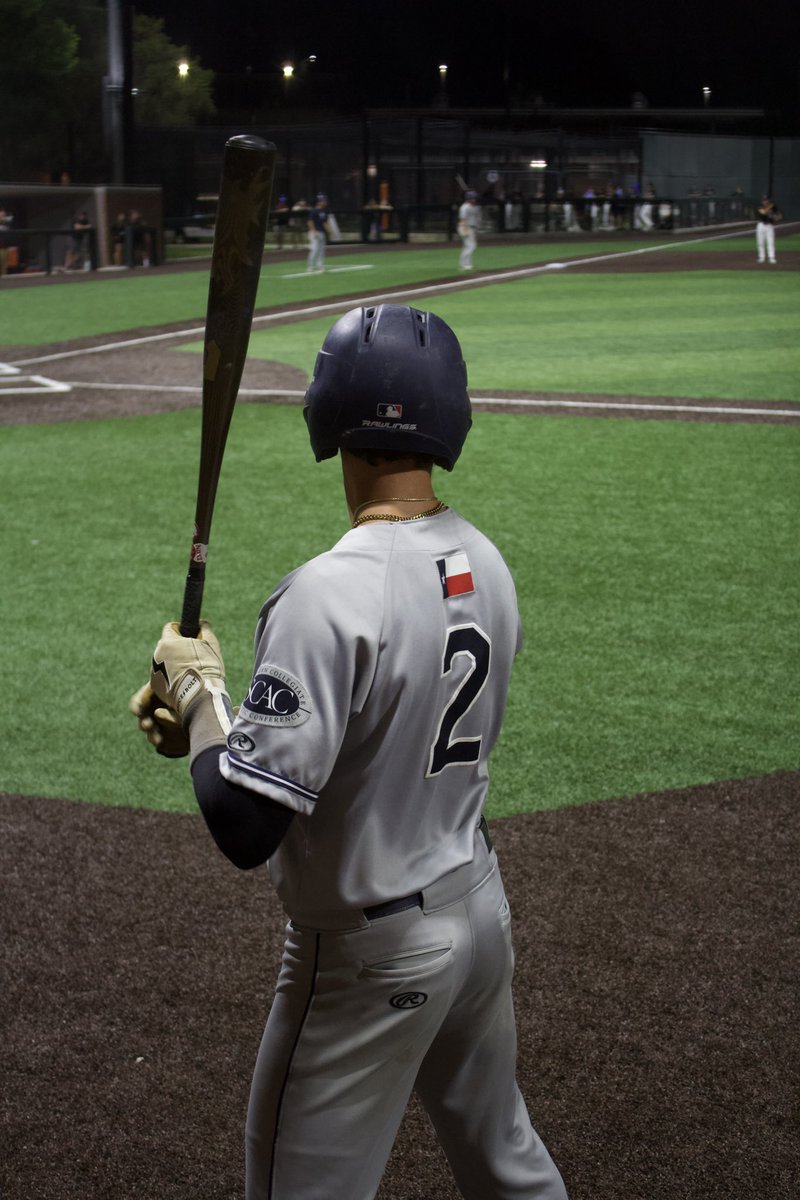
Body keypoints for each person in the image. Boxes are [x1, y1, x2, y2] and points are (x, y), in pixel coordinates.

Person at [131, 303, 569, 1200]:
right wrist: (209, 724)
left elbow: (245, 825)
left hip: (372, 954)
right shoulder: (488, 562)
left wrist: (200, 694)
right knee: (507, 1165)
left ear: (333, 415)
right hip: (477, 911)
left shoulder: (329, 592)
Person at [306, 193, 331, 272]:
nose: (325, 202)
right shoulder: (314, 211)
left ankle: (320, 265)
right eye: (323, 200)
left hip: (322, 233)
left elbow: (324, 223)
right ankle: (310, 266)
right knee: (315, 249)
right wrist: (314, 232)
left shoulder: (323, 211)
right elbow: (310, 222)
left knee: (321, 250)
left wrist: (329, 232)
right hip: (315, 232)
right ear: (319, 202)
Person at [457, 189, 481, 269]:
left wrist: (475, 229)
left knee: (467, 246)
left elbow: (476, 218)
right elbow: (463, 219)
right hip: (465, 227)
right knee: (472, 246)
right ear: (469, 199)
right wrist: (464, 230)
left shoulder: (474, 207)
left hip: (471, 228)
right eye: (473, 198)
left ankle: (468, 264)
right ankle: (463, 264)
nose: (474, 199)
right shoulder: (464, 207)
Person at [755, 195, 782, 264]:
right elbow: (763, 212)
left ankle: (771, 257)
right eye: (764, 200)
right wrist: (770, 207)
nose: (765, 201)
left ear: (768, 200)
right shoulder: (760, 206)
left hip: (769, 226)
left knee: (770, 242)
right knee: (760, 242)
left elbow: (779, 215)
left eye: (766, 200)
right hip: (761, 225)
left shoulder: (773, 207)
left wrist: (776, 217)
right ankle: (761, 257)